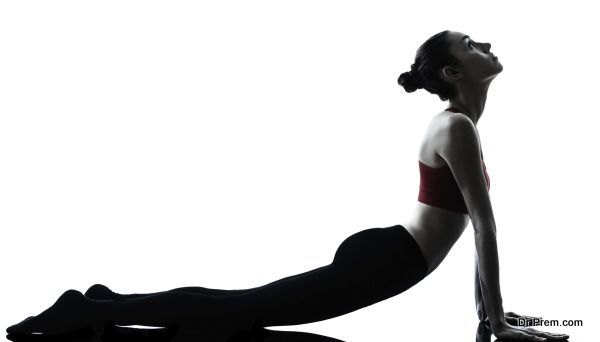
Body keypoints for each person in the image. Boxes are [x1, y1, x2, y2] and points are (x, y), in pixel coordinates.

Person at [6, 30, 569, 342]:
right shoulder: (455, 126)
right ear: (453, 73)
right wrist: (495, 319)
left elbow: (474, 225)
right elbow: (486, 225)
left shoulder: (462, 126)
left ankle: (101, 312)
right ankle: (87, 310)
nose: (487, 44)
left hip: (392, 255)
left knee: (243, 314)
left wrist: (487, 315)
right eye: (471, 44)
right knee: (242, 312)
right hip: (389, 259)